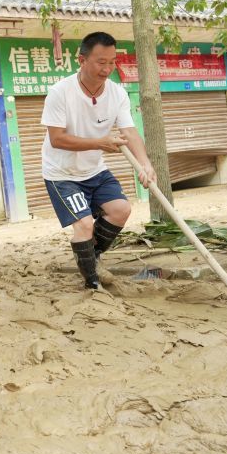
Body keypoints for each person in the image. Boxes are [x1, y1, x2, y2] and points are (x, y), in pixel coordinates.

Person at [40, 31, 157, 290]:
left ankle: (92, 257)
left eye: (112, 62)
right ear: (81, 60)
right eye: (100, 62)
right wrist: (99, 143)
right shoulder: (60, 93)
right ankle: (92, 283)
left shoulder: (117, 94)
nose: (107, 69)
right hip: (62, 173)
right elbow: (57, 138)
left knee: (121, 210)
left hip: (94, 169)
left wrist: (145, 163)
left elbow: (129, 131)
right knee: (83, 226)